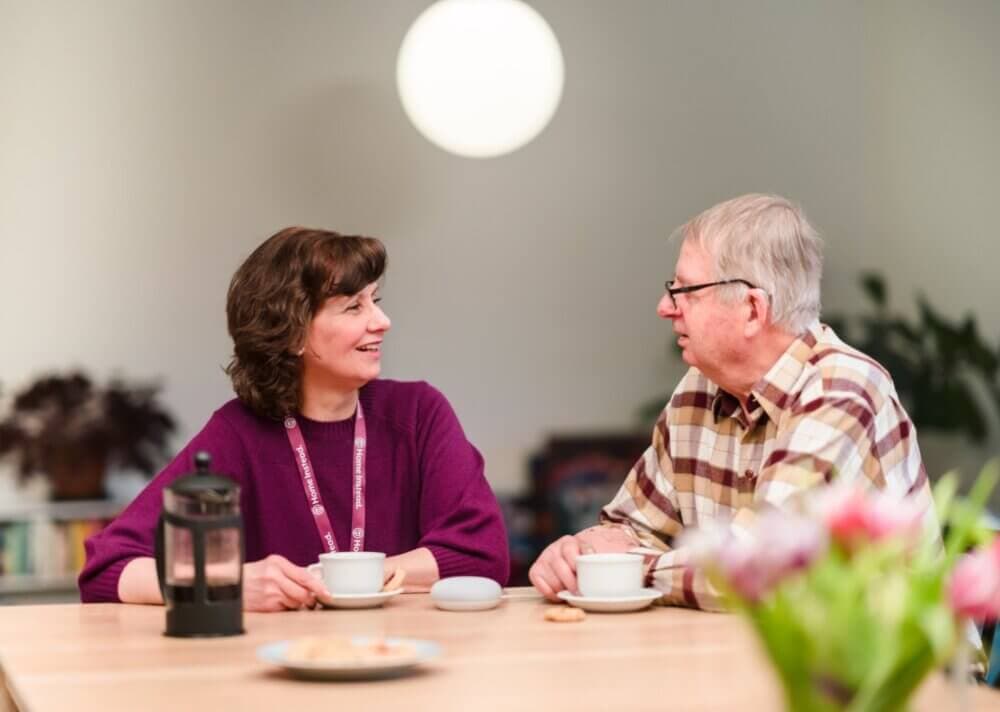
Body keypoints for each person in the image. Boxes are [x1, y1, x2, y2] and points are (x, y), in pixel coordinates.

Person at [528, 193, 934, 610]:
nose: (665, 307)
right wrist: (579, 554)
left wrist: (627, 570)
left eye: (686, 290)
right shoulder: (697, 391)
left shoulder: (842, 388)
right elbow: (630, 527)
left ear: (753, 310)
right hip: (758, 654)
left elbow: (758, 567)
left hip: (898, 670)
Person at [80, 227, 509, 611]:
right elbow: (106, 568)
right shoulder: (237, 434)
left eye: (374, 301)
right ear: (293, 332)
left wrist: (356, 578)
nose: (383, 321)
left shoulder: (418, 412)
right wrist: (225, 584)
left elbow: (482, 553)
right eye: (353, 307)